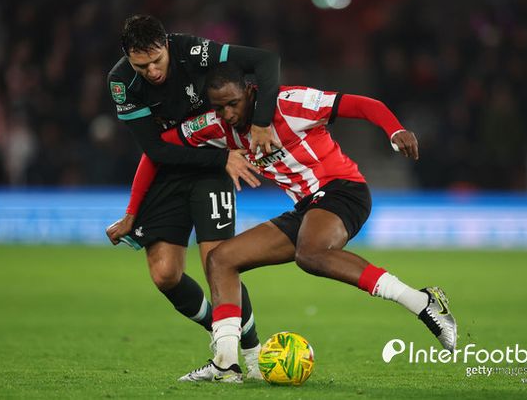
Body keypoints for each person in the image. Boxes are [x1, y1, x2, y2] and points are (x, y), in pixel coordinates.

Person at [125, 62, 458, 382]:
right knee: (221, 259)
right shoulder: (216, 125)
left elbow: (362, 105)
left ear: (250, 92)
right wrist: (131, 213)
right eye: (219, 107)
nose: (228, 114)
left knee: (310, 254)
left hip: (342, 191)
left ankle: (422, 302)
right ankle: (226, 364)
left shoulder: (291, 103)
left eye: (233, 103)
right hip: (307, 209)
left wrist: (395, 129)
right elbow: (157, 149)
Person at [105, 15, 282, 379]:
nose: (152, 71)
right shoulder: (121, 81)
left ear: (166, 45)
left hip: (211, 169)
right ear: (128, 59)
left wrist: (261, 121)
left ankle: (247, 358)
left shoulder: (194, 51)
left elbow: (266, 61)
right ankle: (223, 333)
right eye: (142, 66)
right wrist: (131, 212)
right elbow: (156, 150)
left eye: (157, 60)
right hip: (174, 167)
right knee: (165, 275)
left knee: (219, 263)